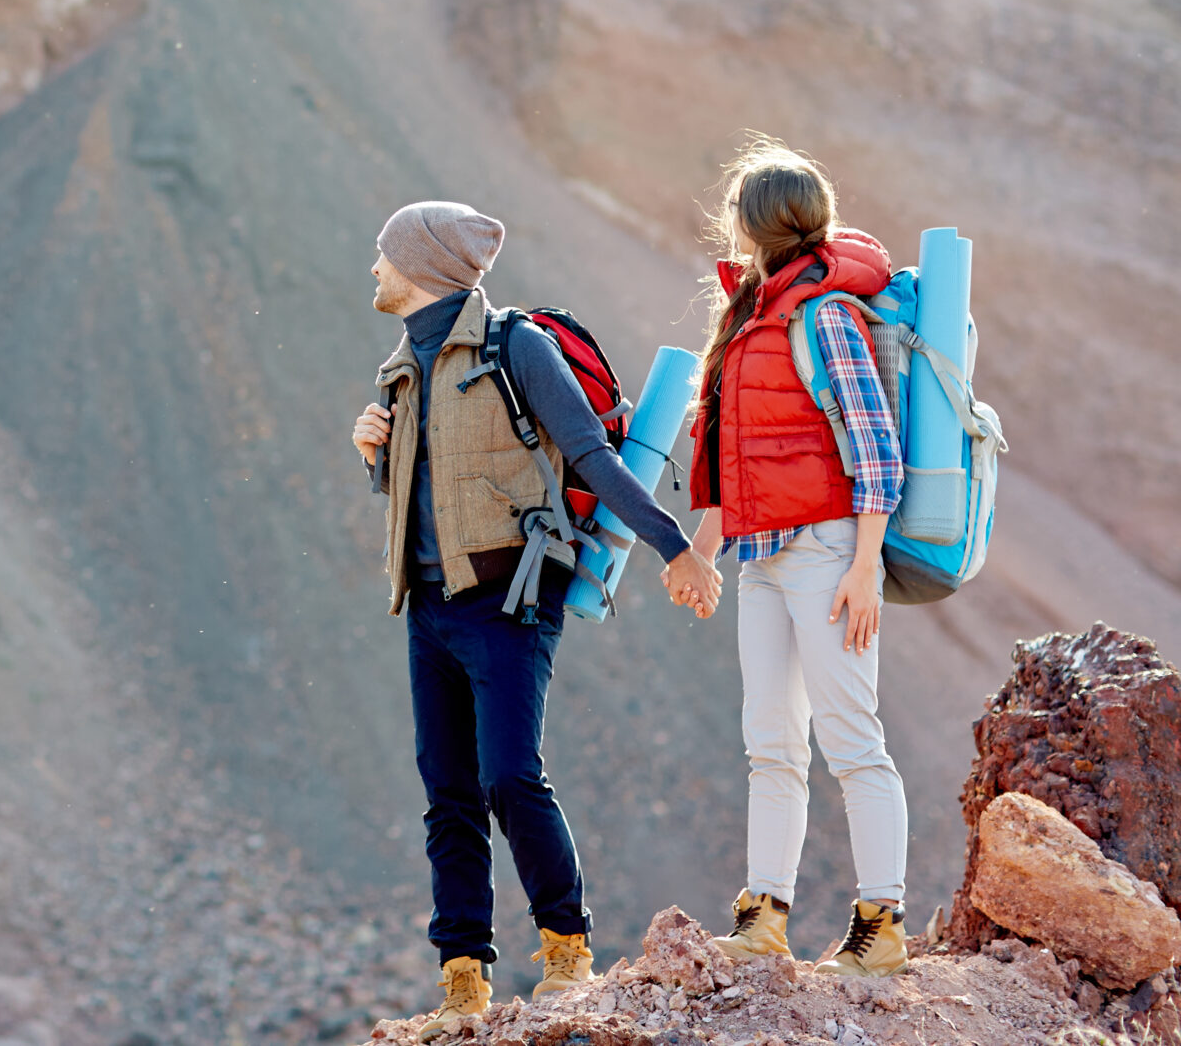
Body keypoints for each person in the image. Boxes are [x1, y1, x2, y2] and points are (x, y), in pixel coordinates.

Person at [353, 200, 722, 1039]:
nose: (373, 268)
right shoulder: (399, 370)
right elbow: (416, 495)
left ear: (425, 265)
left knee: (508, 775)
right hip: (429, 605)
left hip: (511, 595)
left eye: (385, 254)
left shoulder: (517, 346)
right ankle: (463, 979)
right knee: (447, 790)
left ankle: (565, 945)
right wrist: (374, 454)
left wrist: (675, 548)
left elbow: (591, 453)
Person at [667, 142, 910, 977]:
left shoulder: (824, 315)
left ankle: (883, 924)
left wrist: (863, 562)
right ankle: (764, 913)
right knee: (770, 741)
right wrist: (702, 550)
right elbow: (728, 452)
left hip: (829, 551)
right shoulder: (747, 317)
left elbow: (877, 446)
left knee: (851, 738)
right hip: (763, 559)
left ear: (755, 219)